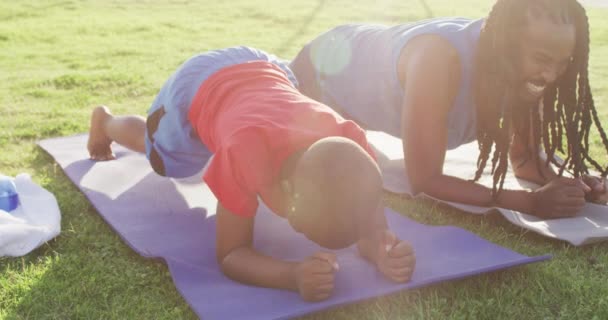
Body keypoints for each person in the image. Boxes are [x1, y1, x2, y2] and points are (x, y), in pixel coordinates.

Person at [86, 46, 415, 301]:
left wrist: (381, 250)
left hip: (267, 68)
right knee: (167, 160)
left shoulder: (351, 143)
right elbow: (231, 254)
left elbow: (369, 219)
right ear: (287, 189)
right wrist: (292, 275)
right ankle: (105, 122)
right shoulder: (244, 153)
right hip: (200, 82)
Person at [290, 0, 608, 219]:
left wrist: (572, 185)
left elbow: (524, 160)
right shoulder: (438, 60)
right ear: (507, 46)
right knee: (316, 169)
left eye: (563, 63)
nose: (551, 75)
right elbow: (425, 179)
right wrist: (531, 202)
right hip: (318, 77)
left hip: (357, 78)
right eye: (542, 60)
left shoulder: (528, 76)